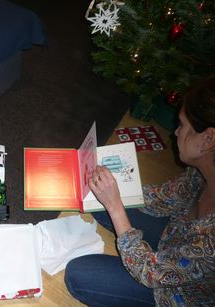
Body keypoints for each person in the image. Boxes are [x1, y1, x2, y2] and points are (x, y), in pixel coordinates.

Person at [64, 74, 215, 306]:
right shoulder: (201, 172)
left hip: (177, 294)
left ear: (208, 138)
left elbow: (151, 272)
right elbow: (164, 196)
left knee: (78, 274)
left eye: (182, 125)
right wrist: (114, 187)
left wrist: (116, 206)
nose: (175, 132)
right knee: (96, 199)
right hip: (174, 238)